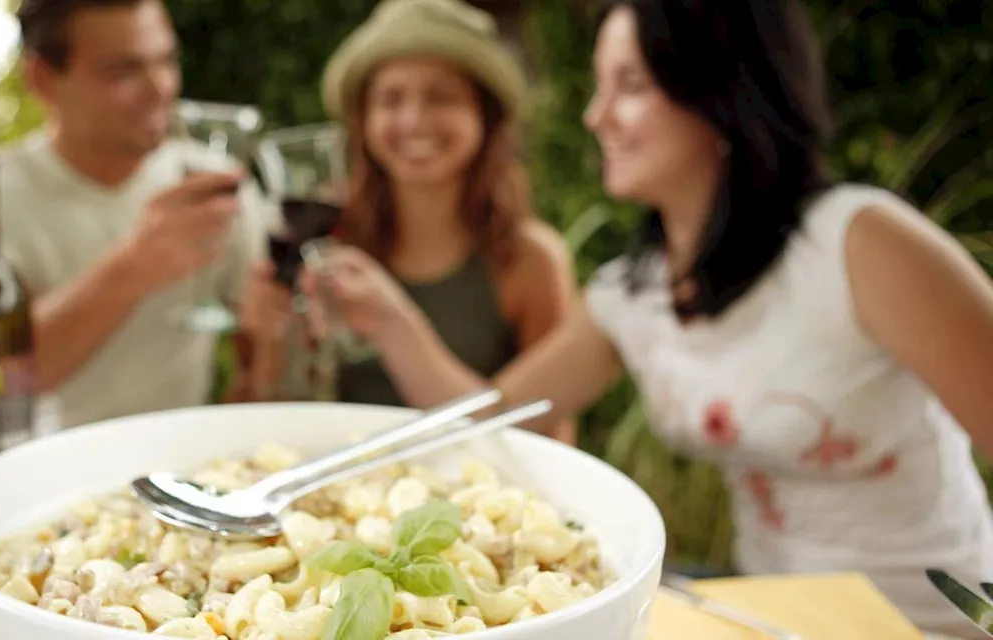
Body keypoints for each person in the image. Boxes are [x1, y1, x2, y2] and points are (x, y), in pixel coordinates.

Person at [309, 0, 993, 636]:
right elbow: (494, 418)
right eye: (600, 86)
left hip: (935, 617)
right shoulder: (630, 295)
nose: (595, 116)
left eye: (629, 86)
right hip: (764, 614)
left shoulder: (860, 243)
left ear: (723, 93)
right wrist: (392, 322)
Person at [241, 0, 578, 442]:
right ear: (363, 121)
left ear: (486, 115)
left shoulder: (531, 259)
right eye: (391, 98)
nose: (413, 120)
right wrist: (268, 341)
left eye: (441, 97)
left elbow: (554, 445)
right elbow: (258, 420)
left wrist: (395, 325)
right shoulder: (325, 237)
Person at [0, 0, 269, 428]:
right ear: (43, 79)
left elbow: (262, 354)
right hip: (38, 473)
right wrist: (135, 266)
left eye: (166, 61)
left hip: (177, 466)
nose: (160, 87)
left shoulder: (216, 185)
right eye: (122, 71)